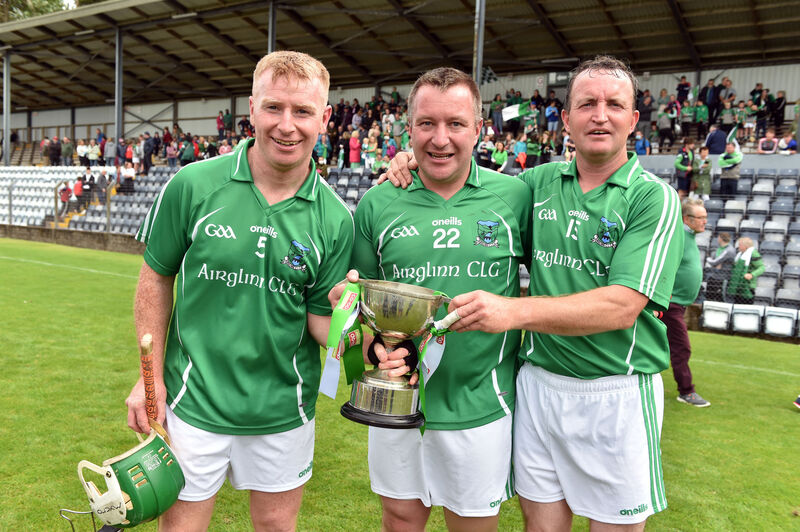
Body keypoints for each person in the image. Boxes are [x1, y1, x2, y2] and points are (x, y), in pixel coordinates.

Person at [382, 55, 682, 530]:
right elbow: (466, 186)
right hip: (538, 385)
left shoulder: (654, 197)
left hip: (614, 391)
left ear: (633, 119)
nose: (599, 115)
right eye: (586, 104)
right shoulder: (532, 186)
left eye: (613, 104)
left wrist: (513, 312)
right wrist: (408, 160)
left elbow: (623, 305)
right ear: (566, 119)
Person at [125, 51, 353, 532]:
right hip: (192, 401)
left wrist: (344, 321)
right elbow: (156, 276)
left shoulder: (335, 218)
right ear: (251, 108)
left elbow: (318, 323)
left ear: (325, 118)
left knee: (275, 527)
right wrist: (149, 379)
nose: (286, 125)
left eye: (303, 111)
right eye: (273, 108)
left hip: (283, 409)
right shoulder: (193, 185)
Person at [343, 66, 531, 532]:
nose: (440, 138)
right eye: (427, 124)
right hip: (399, 404)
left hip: (482, 406)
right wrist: (373, 350)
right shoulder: (377, 203)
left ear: (478, 129)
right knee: (399, 520)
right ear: (409, 130)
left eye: (456, 124)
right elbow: (355, 309)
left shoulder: (516, 197)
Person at [661, 198, 711, 407]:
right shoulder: (678, 236)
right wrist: (665, 293)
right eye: (701, 218)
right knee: (681, 347)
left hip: (678, 305)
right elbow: (662, 264)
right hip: (670, 304)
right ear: (686, 219)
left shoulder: (688, 236)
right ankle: (686, 391)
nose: (705, 222)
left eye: (706, 217)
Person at [727, 237, 765, 305]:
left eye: (740, 245)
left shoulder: (753, 254)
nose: (738, 246)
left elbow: (762, 268)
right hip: (739, 286)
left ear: (746, 246)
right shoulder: (740, 254)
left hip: (747, 286)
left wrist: (752, 274)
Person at [705, 232, 736, 302]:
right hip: (715, 275)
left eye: (718, 237)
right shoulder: (719, 248)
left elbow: (714, 262)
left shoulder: (729, 250)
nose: (717, 239)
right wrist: (716, 263)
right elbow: (715, 261)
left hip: (722, 278)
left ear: (721, 238)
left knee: (719, 298)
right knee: (709, 296)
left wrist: (707, 258)